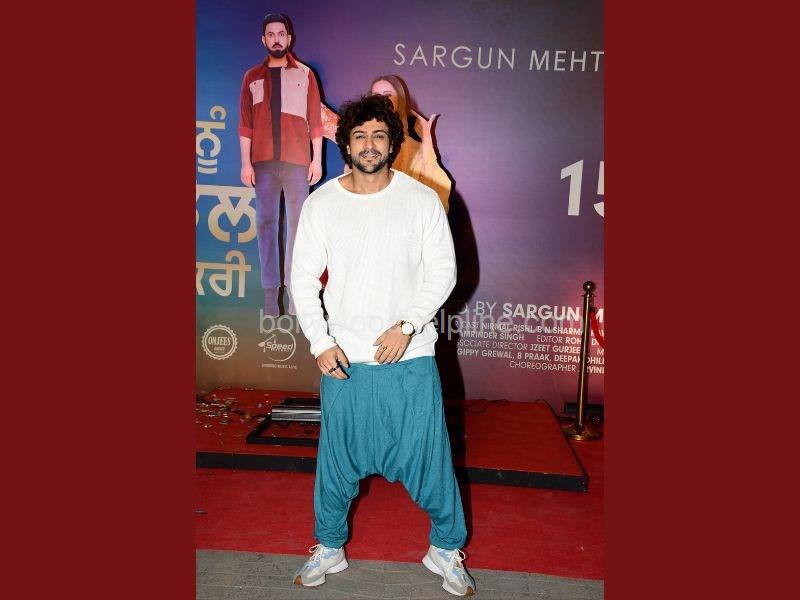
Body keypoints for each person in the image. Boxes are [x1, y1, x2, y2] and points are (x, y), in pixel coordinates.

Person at [289, 94, 475, 596]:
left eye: (378, 135)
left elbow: (443, 271)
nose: (369, 144)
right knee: (335, 463)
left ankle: (445, 550)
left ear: (392, 143)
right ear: (345, 145)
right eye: (359, 136)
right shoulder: (322, 203)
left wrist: (407, 325)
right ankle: (329, 546)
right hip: (344, 360)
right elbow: (302, 279)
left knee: (430, 460)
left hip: (410, 357)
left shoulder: (420, 199)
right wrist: (320, 342)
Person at [238, 12, 323, 315]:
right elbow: (245, 125)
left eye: (281, 34)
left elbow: (315, 121)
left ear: (289, 38)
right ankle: (270, 297)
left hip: (298, 163)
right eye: (271, 34)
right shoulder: (251, 77)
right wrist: (245, 164)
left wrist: (316, 160)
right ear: (264, 40)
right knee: (266, 226)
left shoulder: (305, 74)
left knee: (299, 229)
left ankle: (297, 295)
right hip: (262, 164)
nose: (276, 39)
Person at [369, 74, 452, 212]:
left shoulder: (415, 130)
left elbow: (431, 178)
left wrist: (427, 138)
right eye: (376, 96)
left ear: (399, 99)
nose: (381, 100)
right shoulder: (360, 130)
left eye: (388, 95)